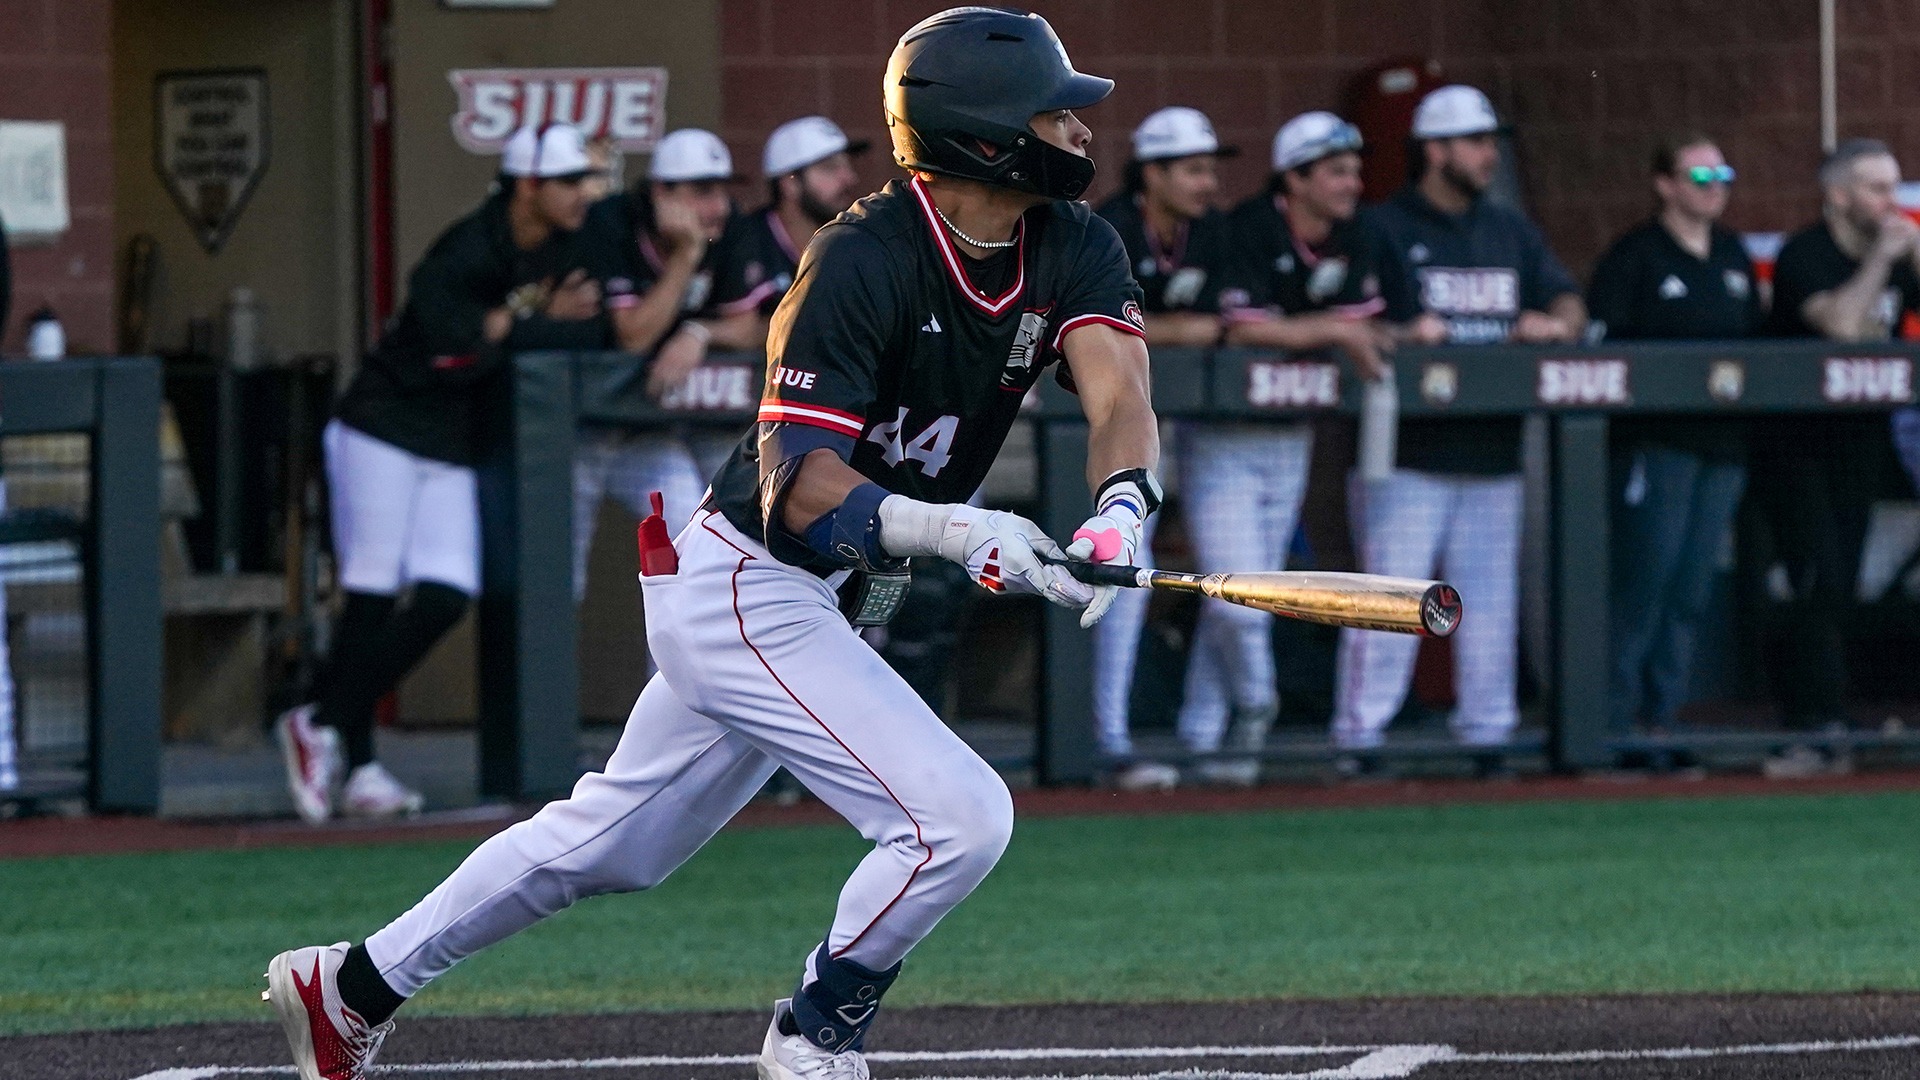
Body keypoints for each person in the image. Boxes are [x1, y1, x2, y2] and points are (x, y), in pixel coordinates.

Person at [262, 11, 1161, 1080]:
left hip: (829, 594)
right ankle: (817, 1033)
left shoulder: (1074, 240)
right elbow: (800, 485)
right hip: (751, 580)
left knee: (614, 845)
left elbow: (1120, 394)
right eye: (1053, 112)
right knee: (958, 819)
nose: (1079, 130)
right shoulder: (860, 258)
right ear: (983, 134)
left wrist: (1120, 508)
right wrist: (958, 530)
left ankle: (349, 988)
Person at [273, 124, 604, 823]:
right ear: (528, 185)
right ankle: (356, 759)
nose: (585, 193)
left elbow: (584, 329)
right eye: (570, 181)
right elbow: (452, 352)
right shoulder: (466, 249)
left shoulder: (566, 247)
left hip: (450, 443)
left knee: (447, 595)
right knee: (371, 590)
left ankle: (322, 719)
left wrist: (506, 326)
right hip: (384, 427)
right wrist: (524, 322)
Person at [1168, 110, 1437, 786]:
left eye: (1354, 170)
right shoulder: (1249, 226)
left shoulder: (1360, 232)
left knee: (1246, 596)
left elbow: (1398, 325)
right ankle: (1259, 702)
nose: (1352, 184)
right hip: (1224, 437)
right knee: (1236, 597)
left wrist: (1354, 331)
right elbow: (1240, 327)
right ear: (1295, 178)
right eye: (1336, 172)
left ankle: (1206, 742)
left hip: (1294, 436)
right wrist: (1334, 331)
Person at [1333, 85, 1586, 778]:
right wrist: (1400, 333)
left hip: (1493, 453)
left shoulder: (1508, 229)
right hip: (1405, 455)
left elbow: (1565, 295)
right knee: (1388, 606)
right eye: (1476, 142)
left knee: (1490, 609)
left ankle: (1487, 737)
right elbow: (1345, 320)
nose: (1488, 155)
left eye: (1490, 142)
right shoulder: (1383, 226)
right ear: (1436, 149)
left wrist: (1555, 323)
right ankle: (1358, 741)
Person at [1587, 134, 1762, 769]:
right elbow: (1602, 347)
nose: (1715, 187)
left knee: (1691, 590)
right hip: (1656, 445)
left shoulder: (1734, 254)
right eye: (1700, 176)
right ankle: (1614, 723)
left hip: (1723, 446)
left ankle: (1662, 720)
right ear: (1664, 184)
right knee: (1644, 582)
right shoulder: (1635, 255)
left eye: (1723, 174)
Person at [1754, 138, 1920, 765]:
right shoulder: (1806, 253)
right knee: (1816, 574)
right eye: (1876, 188)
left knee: (1845, 577)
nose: (1890, 201)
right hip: (1797, 445)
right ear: (1839, 195)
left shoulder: (1900, 252)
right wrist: (1881, 259)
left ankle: (1832, 715)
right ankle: (1811, 719)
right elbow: (1844, 326)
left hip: (1862, 439)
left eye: (1894, 187)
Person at [1090, 105, 1237, 791]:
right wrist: (1187, 330)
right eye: (1193, 169)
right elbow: (1105, 331)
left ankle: (1137, 737)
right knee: (1118, 570)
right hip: (1095, 428)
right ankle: (1100, 740)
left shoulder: (1214, 234)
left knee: (1168, 576)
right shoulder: (1108, 230)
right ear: (1152, 173)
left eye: (1211, 168)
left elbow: (1239, 320)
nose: (1209, 183)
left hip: (1175, 427)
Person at [571, 127, 761, 598]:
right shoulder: (612, 222)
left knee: (688, 531)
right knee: (561, 569)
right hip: (579, 426)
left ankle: (680, 649)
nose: (718, 206)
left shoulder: (729, 225)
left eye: (721, 190)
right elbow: (634, 336)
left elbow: (749, 325)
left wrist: (699, 333)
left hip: (646, 429)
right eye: (703, 191)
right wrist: (686, 255)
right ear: (661, 193)